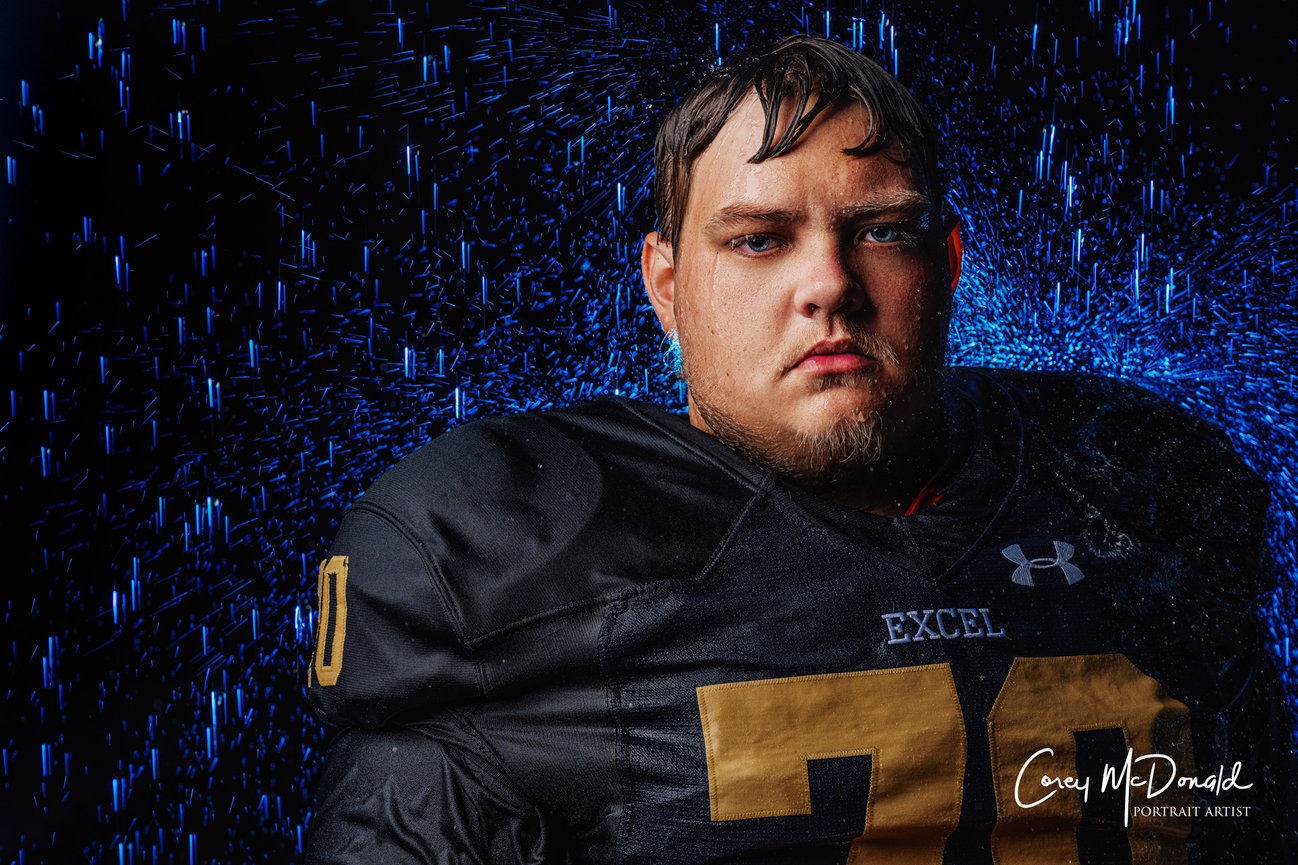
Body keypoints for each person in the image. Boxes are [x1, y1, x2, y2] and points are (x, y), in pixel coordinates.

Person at [305, 35, 1292, 864]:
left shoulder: (1129, 488)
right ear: (664, 287)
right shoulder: (506, 556)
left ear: (944, 266)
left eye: (877, 229)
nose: (827, 281)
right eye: (757, 238)